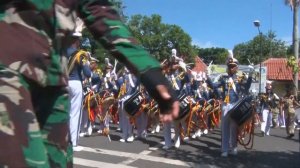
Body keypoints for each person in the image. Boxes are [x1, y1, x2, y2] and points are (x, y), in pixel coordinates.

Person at [0, 1, 179, 167]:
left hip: (53, 77)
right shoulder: (79, 57)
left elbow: (99, 11)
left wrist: (149, 71)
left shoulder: (79, 57)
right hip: (8, 65)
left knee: (58, 161)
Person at [206, 50, 253, 157]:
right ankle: (224, 149)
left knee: (233, 128)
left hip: (235, 105)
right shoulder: (224, 79)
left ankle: (234, 147)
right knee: (225, 128)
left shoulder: (240, 79)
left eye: (233, 66)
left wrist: (250, 74)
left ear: (237, 67)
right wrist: (207, 76)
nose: (231, 68)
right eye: (230, 66)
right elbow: (213, 86)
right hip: (225, 105)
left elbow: (246, 88)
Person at [67, 37, 92, 151]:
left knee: (65, 113)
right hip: (75, 83)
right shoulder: (80, 54)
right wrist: (87, 61)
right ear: (76, 41)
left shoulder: (62, 51)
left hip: (64, 83)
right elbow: (88, 73)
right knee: (75, 114)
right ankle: (73, 143)